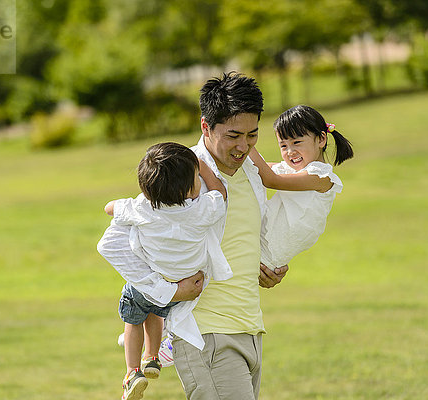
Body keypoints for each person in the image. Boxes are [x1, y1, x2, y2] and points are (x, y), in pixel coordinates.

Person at [98, 72, 289, 400]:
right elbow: (114, 243)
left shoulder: (251, 171)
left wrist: (262, 265)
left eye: (252, 135)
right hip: (205, 334)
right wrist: (166, 291)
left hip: (249, 325)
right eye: (233, 136)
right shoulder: (178, 175)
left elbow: (233, 239)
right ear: (206, 127)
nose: (243, 146)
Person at [103, 142, 233, 400]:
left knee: (133, 320)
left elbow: (110, 208)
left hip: (151, 286)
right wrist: (203, 166)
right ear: (190, 189)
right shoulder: (200, 211)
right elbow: (220, 193)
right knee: (155, 313)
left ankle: (132, 372)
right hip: (180, 285)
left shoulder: (143, 209)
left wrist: (132, 203)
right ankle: (152, 357)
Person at [250, 104, 354, 271]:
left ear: (321, 139)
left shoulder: (320, 176)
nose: (290, 151)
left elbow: (271, 180)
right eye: (283, 146)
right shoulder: (293, 170)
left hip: (268, 253)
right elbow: (258, 168)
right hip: (261, 245)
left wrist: (245, 142)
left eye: (296, 142)